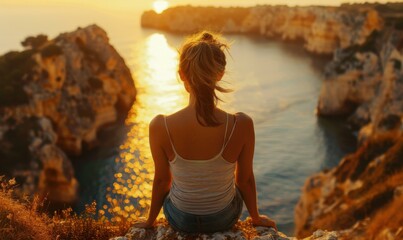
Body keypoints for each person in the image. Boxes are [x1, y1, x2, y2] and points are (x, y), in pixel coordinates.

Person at [134, 31, 277, 233]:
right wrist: (255, 217)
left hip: (180, 219)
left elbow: (162, 181)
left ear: (181, 74)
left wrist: (150, 220)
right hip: (223, 219)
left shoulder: (159, 126)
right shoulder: (241, 124)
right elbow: (244, 180)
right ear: (220, 74)